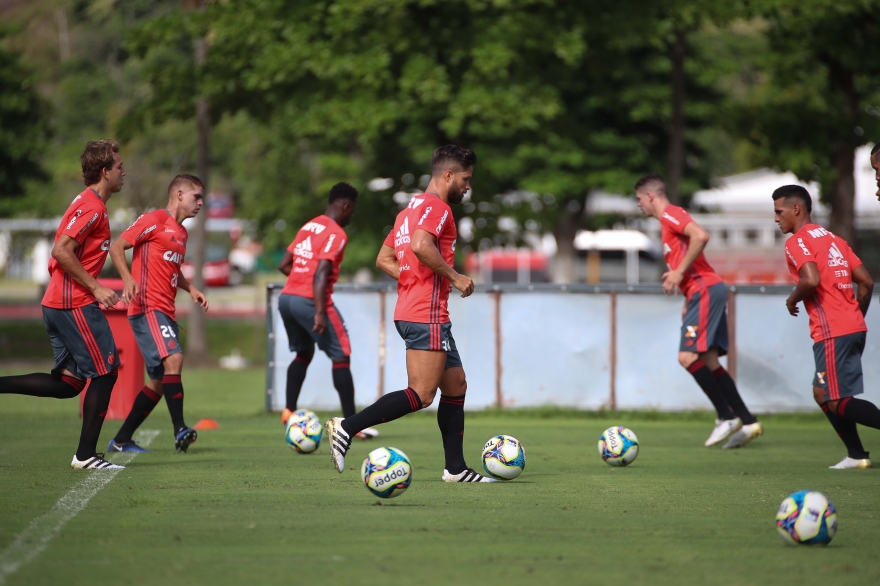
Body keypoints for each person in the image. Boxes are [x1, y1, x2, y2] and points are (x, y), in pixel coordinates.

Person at [326, 145, 493, 482]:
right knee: (421, 393)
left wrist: (416, 278)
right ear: (448, 175)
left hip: (419, 311)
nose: (467, 186)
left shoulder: (408, 211)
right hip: (425, 314)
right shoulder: (437, 207)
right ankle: (347, 426)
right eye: (465, 178)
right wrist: (455, 277)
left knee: (456, 384)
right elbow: (420, 246)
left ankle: (455, 470)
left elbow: (384, 259)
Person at [0, 140, 125, 469]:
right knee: (106, 371)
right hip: (74, 304)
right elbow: (61, 250)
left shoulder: (92, 202)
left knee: (71, 383)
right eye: (119, 166)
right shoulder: (92, 207)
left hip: (61, 301)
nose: (124, 172)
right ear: (104, 172)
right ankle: (85, 456)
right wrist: (96, 288)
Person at [635, 174, 762, 448]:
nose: (639, 205)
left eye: (639, 199)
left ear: (650, 196)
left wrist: (679, 272)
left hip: (705, 290)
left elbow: (701, 235)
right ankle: (748, 421)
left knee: (687, 356)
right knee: (710, 361)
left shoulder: (670, 214)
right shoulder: (667, 221)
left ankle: (726, 416)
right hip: (703, 292)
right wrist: (686, 298)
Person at [773, 184, 880, 469]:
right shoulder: (834, 239)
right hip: (853, 326)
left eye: (778, 211)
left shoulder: (797, 242)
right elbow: (866, 282)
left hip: (833, 330)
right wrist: (856, 317)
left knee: (835, 399)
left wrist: (792, 299)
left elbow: (810, 279)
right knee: (822, 392)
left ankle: (857, 455)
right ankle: (857, 455)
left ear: (796, 209)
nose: (776, 218)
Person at [106, 174, 209, 454]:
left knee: (160, 380)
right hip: (148, 307)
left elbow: (173, 269)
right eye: (196, 197)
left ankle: (122, 439)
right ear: (178, 194)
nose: (200, 202)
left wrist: (191, 289)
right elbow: (117, 247)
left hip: (165, 311)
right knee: (174, 358)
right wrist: (128, 278)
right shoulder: (153, 220)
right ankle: (180, 430)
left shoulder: (183, 232)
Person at [276, 183, 377, 438]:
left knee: (303, 352)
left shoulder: (309, 226)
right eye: (352, 211)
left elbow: (284, 264)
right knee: (341, 355)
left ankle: (288, 411)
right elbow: (321, 272)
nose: (351, 216)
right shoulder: (337, 233)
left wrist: (301, 281)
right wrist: (319, 311)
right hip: (311, 301)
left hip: (287, 298)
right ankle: (352, 426)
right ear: (345, 207)